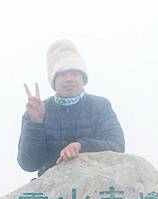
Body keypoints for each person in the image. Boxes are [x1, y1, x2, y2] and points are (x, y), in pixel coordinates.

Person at [17, 39, 125, 178]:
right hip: (52, 189)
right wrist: (36, 123)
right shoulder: (36, 111)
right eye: (62, 74)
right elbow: (29, 164)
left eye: (74, 73)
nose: (69, 79)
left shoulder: (100, 105)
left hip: (96, 183)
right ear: (53, 81)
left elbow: (117, 146)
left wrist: (82, 145)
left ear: (83, 78)